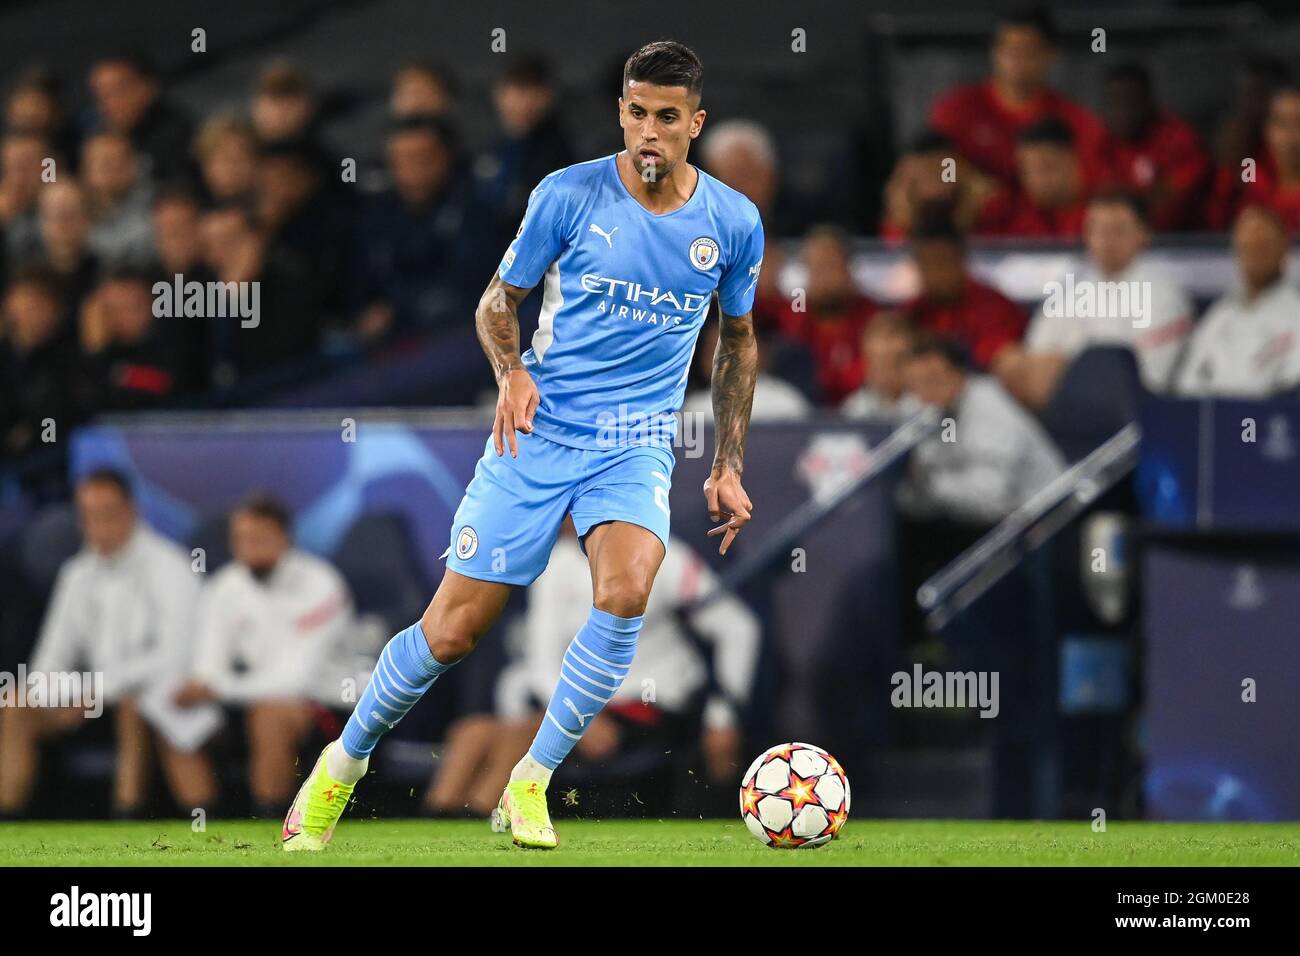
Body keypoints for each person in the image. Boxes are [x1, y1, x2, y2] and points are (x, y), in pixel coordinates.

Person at [282, 40, 763, 852]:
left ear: (695, 124)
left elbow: (740, 342)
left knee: (625, 590)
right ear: (622, 112)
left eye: (668, 118)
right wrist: (510, 371)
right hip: (538, 430)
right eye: (638, 113)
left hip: (635, 439)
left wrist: (727, 461)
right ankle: (341, 765)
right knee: (452, 632)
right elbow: (496, 304)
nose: (650, 132)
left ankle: (530, 781)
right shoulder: (567, 195)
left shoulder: (732, 221)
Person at [474, 521, 759, 816]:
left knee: (519, 738)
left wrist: (722, 720)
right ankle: (445, 820)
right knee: (473, 734)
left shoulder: (662, 554)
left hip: (652, 712)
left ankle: (478, 830)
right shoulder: (555, 565)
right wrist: (576, 721)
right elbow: (542, 664)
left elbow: (738, 628)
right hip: (588, 715)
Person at [0, 469, 218, 817]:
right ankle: (7, 823)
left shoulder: (171, 566)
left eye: (108, 514)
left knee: (137, 704)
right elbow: (51, 658)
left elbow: (175, 656)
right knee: (15, 704)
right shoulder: (76, 574)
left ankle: (126, 817)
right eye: (89, 516)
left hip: (159, 695)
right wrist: (53, 693)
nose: (99, 526)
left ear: (131, 510)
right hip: (89, 700)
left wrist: (98, 691)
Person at [175, 495, 357, 816]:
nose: (250, 547)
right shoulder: (224, 587)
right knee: (170, 710)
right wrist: (205, 687)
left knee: (271, 715)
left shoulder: (322, 584)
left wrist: (217, 688)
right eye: (242, 539)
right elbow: (207, 668)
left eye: (260, 538)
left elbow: (297, 680)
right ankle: (200, 819)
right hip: (245, 702)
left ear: (286, 537)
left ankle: (269, 820)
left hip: (325, 705)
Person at [998, 192, 1194, 406]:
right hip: (1060, 411)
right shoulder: (1070, 289)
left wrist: (1063, 370)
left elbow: (1149, 382)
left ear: (1144, 234)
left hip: (1130, 419)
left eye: (1118, 231)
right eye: (1097, 230)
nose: (1106, 241)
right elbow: (1034, 363)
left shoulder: (1164, 296)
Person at [928, 8, 1105, 187]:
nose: (1017, 60)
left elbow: (1090, 179)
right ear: (994, 52)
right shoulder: (957, 108)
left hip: (1045, 209)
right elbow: (936, 169)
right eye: (1009, 49)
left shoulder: (1076, 119)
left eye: (1028, 50)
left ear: (1050, 54)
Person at [900, 334, 1065, 524]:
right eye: (916, 385)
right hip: (992, 522)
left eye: (933, 380)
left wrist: (926, 484)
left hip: (1047, 520)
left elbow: (991, 496)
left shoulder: (988, 405)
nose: (925, 394)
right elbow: (940, 465)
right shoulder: (940, 413)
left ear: (959, 373)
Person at [1176, 205, 1300, 397]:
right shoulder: (1220, 313)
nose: (1254, 256)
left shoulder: (1295, 315)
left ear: (1284, 248)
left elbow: (1291, 390)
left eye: (1262, 246)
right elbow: (1187, 384)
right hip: (1211, 418)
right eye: (1246, 247)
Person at [1097, 63, 1210, 232]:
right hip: (1117, 241)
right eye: (1115, 103)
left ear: (1148, 101)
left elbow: (1170, 208)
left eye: (1130, 101)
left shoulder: (1179, 139)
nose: (1123, 111)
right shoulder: (1100, 141)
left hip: (1181, 243)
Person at [906, 217, 1026, 370]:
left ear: (961, 259)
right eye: (926, 264)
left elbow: (997, 361)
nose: (935, 273)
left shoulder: (994, 307)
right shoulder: (914, 312)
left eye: (941, 262)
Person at [775, 225, 877, 404]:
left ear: (849, 269)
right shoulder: (793, 319)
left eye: (830, 266)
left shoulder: (872, 319)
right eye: (815, 268)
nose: (824, 278)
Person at [975, 118, 1090, 239]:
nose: (1035, 180)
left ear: (1074, 161)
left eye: (1045, 168)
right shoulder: (1004, 216)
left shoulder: (1100, 214)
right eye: (1026, 171)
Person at [1207, 85, 1300, 233]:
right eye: (1282, 123)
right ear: (1266, 129)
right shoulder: (1250, 170)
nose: (1292, 135)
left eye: (1298, 123)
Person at [840, 311, 922, 421]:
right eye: (878, 362)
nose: (885, 373)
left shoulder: (928, 407)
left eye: (895, 363)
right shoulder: (853, 410)